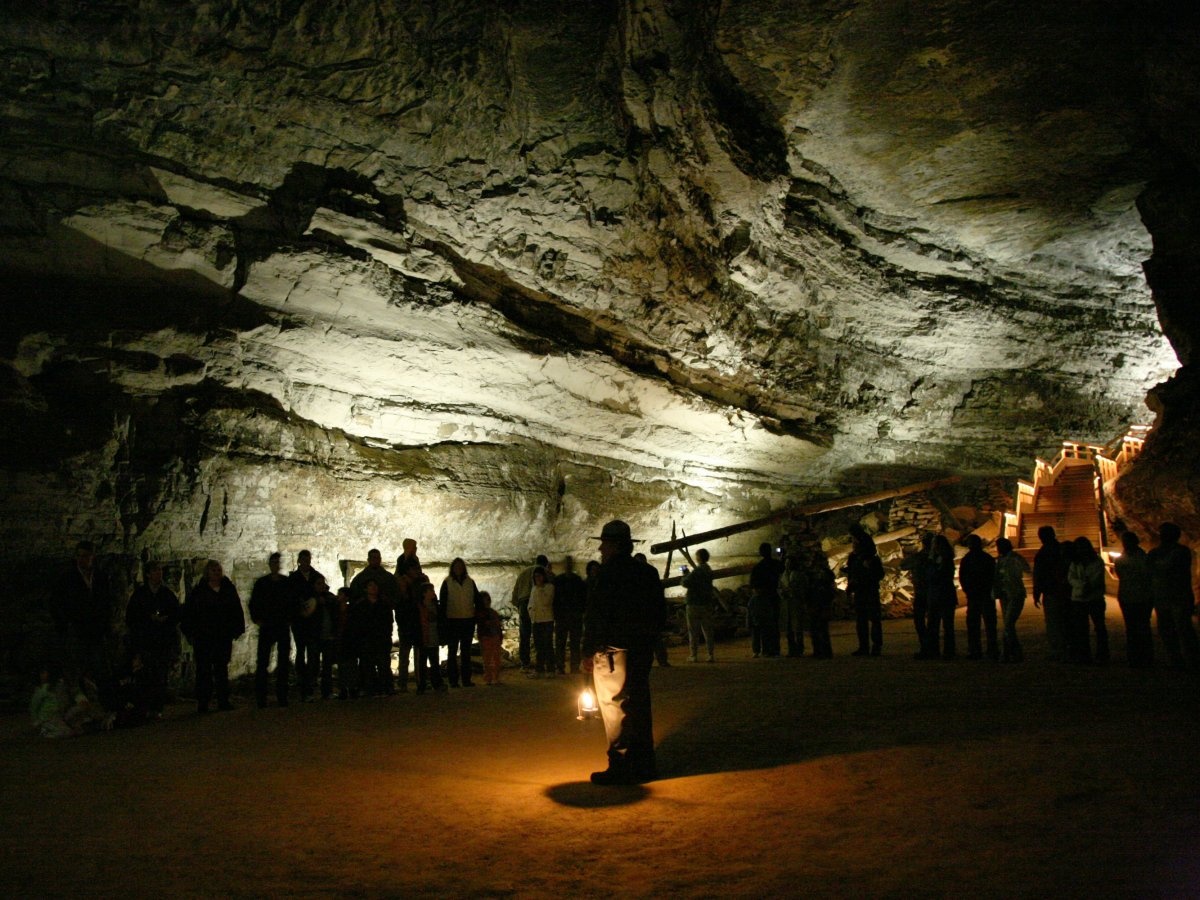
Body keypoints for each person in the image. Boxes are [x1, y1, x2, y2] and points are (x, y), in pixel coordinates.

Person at [582, 520, 666, 785]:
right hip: (640, 649)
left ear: (614, 545)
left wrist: (587, 650)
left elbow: (597, 615)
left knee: (615, 707)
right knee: (639, 704)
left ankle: (621, 765)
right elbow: (659, 613)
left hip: (613, 651)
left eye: (604, 544)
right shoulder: (648, 573)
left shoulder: (606, 575)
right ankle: (644, 764)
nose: (601, 550)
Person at [50, 540, 114, 703]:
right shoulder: (67, 578)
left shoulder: (100, 577)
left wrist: (105, 625)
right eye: (79, 556)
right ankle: (79, 706)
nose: (81, 559)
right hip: (77, 630)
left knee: (101, 668)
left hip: (96, 631)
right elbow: (57, 603)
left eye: (85, 556)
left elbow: (106, 603)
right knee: (76, 669)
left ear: (92, 557)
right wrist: (66, 624)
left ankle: (106, 704)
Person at [180, 560, 245, 713]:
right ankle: (203, 702)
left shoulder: (228, 589)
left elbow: (235, 609)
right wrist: (191, 632)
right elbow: (190, 613)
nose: (217, 573)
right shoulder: (199, 592)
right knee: (204, 671)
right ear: (207, 573)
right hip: (205, 638)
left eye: (218, 570)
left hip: (222, 636)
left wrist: (235, 629)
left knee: (221, 670)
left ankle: (223, 700)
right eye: (214, 570)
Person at [124, 561, 180, 715]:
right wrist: (148, 619)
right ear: (148, 574)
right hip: (145, 640)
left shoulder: (166, 594)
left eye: (160, 571)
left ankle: (157, 707)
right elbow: (131, 618)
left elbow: (176, 614)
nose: (159, 574)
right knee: (145, 675)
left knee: (160, 675)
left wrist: (165, 620)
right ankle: (144, 706)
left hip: (162, 641)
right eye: (155, 571)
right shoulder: (140, 595)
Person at [1147, 522, 1199, 670]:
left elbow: (1160, 569)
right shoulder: (1175, 552)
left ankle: (1190, 660)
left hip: (1177, 596)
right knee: (1168, 629)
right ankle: (1176, 659)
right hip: (1167, 596)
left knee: (1183, 629)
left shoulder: (1180, 552)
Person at [250, 552, 293, 708]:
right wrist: (258, 620)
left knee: (283, 663)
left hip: (281, 626)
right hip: (268, 626)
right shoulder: (262, 583)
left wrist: (289, 619)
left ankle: (282, 696)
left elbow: (292, 603)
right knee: (262, 662)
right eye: (274, 562)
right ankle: (261, 697)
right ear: (270, 564)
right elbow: (254, 603)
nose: (276, 564)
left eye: (278, 562)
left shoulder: (286, 583)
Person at [288, 550, 324, 702]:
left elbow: (323, 591)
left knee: (314, 651)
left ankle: (312, 679)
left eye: (308, 559)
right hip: (300, 621)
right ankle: (302, 679)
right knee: (301, 650)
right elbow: (290, 597)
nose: (305, 562)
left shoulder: (317, 577)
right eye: (303, 559)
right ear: (299, 561)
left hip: (314, 621)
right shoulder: (294, 579)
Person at [1114, 531, 1154, 668]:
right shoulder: (1140, 558)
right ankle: (1136, 656)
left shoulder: (1140, 558)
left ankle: (1143, 656)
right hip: (1129, 596)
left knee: (1140, 627)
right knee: (1133, 627)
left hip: (1140, 596)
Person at [1067, 536, 1108, 664]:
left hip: (1093, 598)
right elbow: (1071, 578)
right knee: (1081, 628)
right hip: (1079, 599)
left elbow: (1096, 578)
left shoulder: (1096, 562)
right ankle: (1084, 654)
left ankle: (1102, 654)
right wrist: (1083, 585)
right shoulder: (1075, 563)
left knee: (1099, 627)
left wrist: (1083, 586)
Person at [439, 558, 479, 687]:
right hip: (453, 621)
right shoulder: (447, 582)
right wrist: (444, 622)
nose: (459, 569)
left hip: (467, 620)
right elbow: (443, 603)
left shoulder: (470, 582)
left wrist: (476, 616)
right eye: (456, 567)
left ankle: (466, 679)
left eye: (461, 566)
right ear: (452, 568)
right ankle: (453, 680)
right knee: (452, 651)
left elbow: (476, 599)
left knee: (466, 651)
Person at [1032, 526, 1070, 662]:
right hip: (1064, 590)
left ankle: (1058, 650)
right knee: (1065, 621)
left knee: (1054, 622)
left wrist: (1037, 592)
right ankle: (1067, 648)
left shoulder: (1043, 553)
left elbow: (1039, 574)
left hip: (1052, 591)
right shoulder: (1062, 550)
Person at [844, 528, 884, 657]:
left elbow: (879, 574)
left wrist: (869, 570)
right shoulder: (853, 557)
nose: (853, 544)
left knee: (874, 620)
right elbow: (851, 574)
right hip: (860, 592)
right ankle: (863, 647)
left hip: (870, 592)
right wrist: (850, 587)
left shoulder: (871, 558)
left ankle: (876, 646)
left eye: (855, 542)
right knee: (861, 621)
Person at [958, 535, 997, 660]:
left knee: (974, 625)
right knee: (989, 624)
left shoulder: (967, 559)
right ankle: (992, 650)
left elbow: (962, 577)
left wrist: (968, 590)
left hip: (975, 595)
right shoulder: (987, 558)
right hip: (984, 594)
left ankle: (975, 651)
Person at [993, 538, 1030, 663]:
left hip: (1014, 593)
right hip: (1005, 594)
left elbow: (1026, 569)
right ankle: (1009, 652)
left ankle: (1013, 652)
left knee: (1008, 623)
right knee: (1008, 625)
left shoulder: (1014, 558)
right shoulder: (1001, 560)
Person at [511, 554, 549, 671]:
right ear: (545, 564)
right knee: (540, 633)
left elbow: (515, 591)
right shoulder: (543, 571)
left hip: (523, 603)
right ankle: (542, 662)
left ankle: (525, 662)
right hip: (537, 603)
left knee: (524, 634)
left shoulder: (523, 572)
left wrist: (518, 604)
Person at [925, 534, 959, 659]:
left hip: (943, 595)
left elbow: (940, 576)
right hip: (936, 595)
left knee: (947, 625)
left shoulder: (944, 561)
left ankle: (948, 651)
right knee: (934, 625)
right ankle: (935, 651)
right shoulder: (934, 560)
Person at [306, 575, 340, 699]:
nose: (321, 586)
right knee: (312, 666)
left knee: (327, 667)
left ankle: (327, 692)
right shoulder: (310, 599)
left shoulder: (329, 598)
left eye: (322, 583)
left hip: (328, 637)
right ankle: (309, 692)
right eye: (318, 584)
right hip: (315, 636)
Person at [681, 548, 717, 663]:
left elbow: (686, 583)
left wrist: (685, 574)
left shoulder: (697, 571)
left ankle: (693, 655)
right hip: (706, 603)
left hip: (694, 604)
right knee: (708, 630)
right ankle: (710, 654)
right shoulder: (708, 570)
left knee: (693, 631)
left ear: (699, 558)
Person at [901, 534, 933, 658]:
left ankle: (926, 647)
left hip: (922, 591)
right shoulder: (935, 557)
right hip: (932, 592)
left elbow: (903, 565)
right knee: (933, 622)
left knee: (920, 621)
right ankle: (934, 648)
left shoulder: (919, 557)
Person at [749, 542, 783, 657]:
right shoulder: (776, 565)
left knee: (764, 626)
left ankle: (766, 650)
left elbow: (752, 584)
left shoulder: (758, 568)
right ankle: (775, 649)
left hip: (763, 599)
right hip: (773, 596)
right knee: (774, 624)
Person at [553, 557, 587, 675]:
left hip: (573, 616)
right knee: (561, 643)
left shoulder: (574, 581)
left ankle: (573, 667)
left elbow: (583, 599)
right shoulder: (562, 580)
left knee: (574, 643)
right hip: (565, 616)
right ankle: (561, 666)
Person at [394, 568, 425, 693]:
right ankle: (403, 683)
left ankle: (419, 682)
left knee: (417, 657)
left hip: (414, 628)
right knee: (404, 657)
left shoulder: (413, 596)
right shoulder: (401, 598)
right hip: (405, 629)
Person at [802, 547, 836, 659]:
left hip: (821, 603)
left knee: (821, 628)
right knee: (816, 628)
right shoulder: (813, 574)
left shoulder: (823, 574)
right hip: (815, 603)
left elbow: (829, 589)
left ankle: (825, 651)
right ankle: (819, 650)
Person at [416, 581, 446, 693]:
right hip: (423, 638)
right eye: (431, 590)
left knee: (435, 662)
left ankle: (436, 683)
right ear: (424, 593)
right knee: (422, 663)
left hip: (434, 637)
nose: (433, 592)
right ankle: (422, 685)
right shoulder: (418, 607)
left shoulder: (436, 606)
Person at [528, 566, 556, 676]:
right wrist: (531, 613)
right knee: (538, 645)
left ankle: (550, 669)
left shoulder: (549, 587)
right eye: (535, 577)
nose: (537, 578)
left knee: (547, 645)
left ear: (544, 576)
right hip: (536, 620)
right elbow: (531, 602)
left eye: (539, 576)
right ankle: (539, 669)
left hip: (547, 620)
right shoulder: (534, 588)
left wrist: (540, 588)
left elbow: (546, 601)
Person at [476, 591, 504, 685]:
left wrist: (500, 636)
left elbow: (497, 626)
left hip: (493, 637)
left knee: (495, 658)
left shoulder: (492, 613)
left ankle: (494, 677)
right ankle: (489, 677)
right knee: (487, 659)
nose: (487, 601)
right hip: (486, 637)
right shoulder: (481, 614)